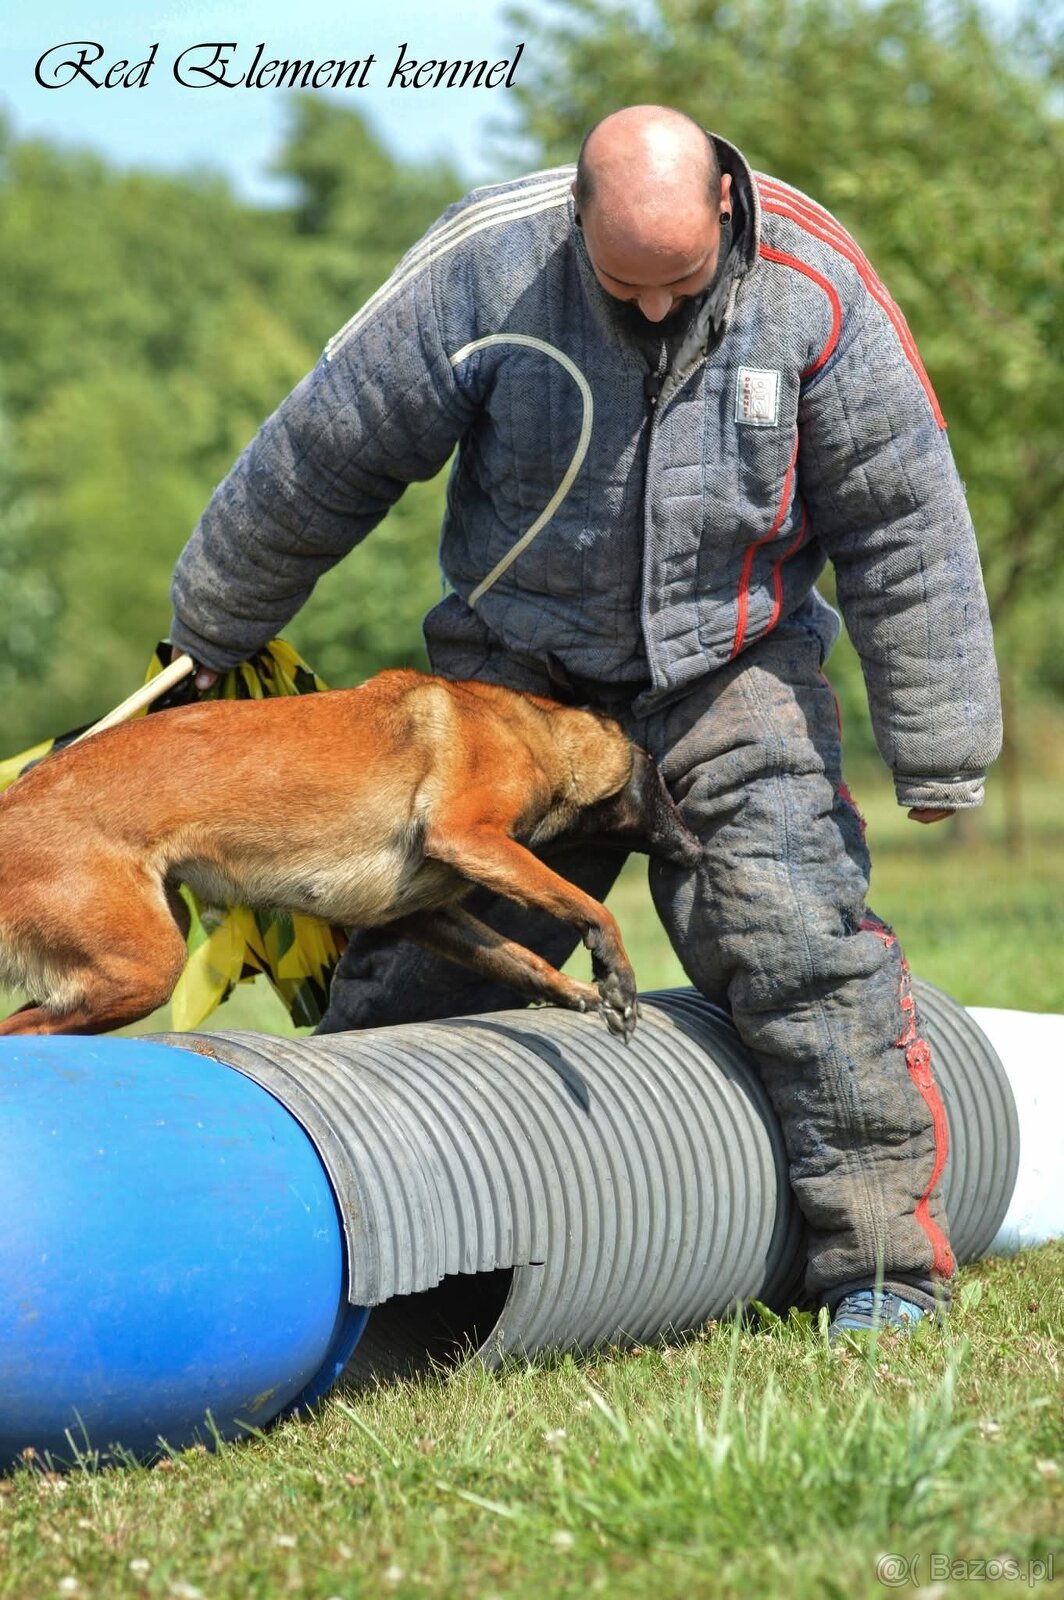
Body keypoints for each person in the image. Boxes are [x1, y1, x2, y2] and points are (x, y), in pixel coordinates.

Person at [169, 106, 1002, 1337]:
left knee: (794, 943)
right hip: (514, 682)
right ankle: (355, 1284)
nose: (655, 307)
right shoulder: (484, 269)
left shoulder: (816, 286)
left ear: (725, 204)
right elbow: (327, 450)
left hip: (733, 675)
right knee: (418, 973)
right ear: (574, 216)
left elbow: (901, 519)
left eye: (681, 281)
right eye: (623, 284)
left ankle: (879, 1273)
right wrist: (213, 624)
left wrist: (939, 744)